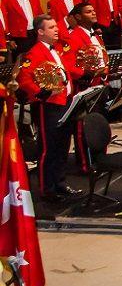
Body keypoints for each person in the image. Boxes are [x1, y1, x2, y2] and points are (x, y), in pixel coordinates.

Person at [17, 16, 80, 200]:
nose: (56, 30)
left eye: (56, 26)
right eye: (51, 27)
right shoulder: (34, 53)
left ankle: (60, 182)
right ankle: (47, 189)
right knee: (48, 148)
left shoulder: (56, 49)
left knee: (62, 146)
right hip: (49, 107)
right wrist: (42, 93)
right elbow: (24, 79)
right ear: (40, 32)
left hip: (64, 102)